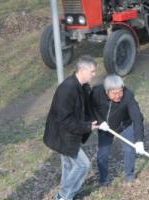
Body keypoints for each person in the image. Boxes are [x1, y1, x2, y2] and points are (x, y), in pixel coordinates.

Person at [43, 55, 98, 200]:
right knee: (83, 165)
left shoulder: (82, 86)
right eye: (92, 71)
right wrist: (87, 127)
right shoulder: (67, 89)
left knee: (68, 165)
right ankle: (63, 195)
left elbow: (86, 107)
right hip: (62, 135)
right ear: (82, 70)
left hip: (70, 133)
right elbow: (65, 120)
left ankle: (67, 194)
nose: (94, 74)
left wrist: (94, 121)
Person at [90, 74, 145, 186]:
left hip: (124, 125)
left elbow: (137, 117)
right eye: (114, 93)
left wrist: (139, 140)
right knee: (103, 154)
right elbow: (91, 108)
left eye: (120, 91)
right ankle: (103, 180)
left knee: (129, 150)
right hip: (105, 127)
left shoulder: (128, 96)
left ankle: (129, 176)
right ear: (106, 92)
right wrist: (100, 121)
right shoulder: (96, 92)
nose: (118, 95)